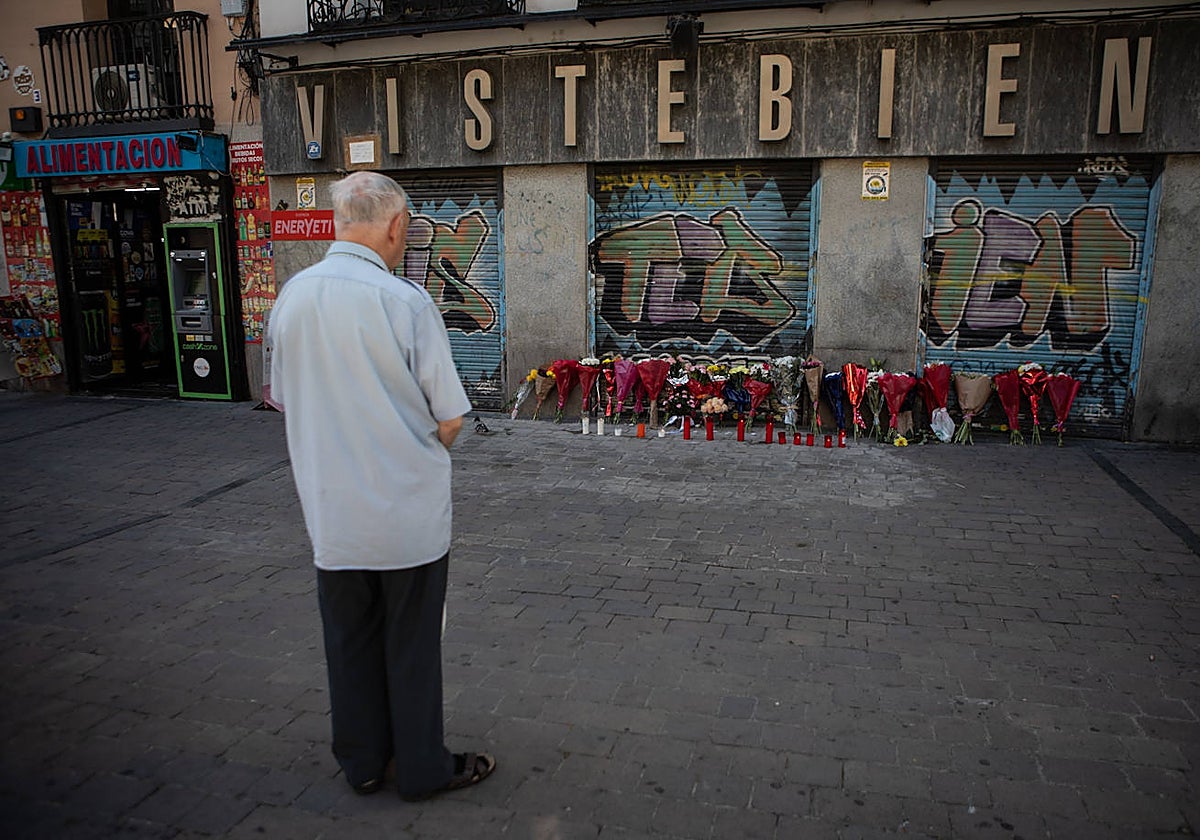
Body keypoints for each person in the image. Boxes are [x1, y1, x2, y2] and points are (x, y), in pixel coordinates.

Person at [267, 171, 495, 800]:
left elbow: (283, 399)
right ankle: (421, 768)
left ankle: (363, 762)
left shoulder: (291, 298)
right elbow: (451, 417)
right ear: (396, 227)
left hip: (332, 518)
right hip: (407, 521)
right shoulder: (405, 302)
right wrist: (413, 450)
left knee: (349, 643)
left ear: (338, 222)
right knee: (411, 646)